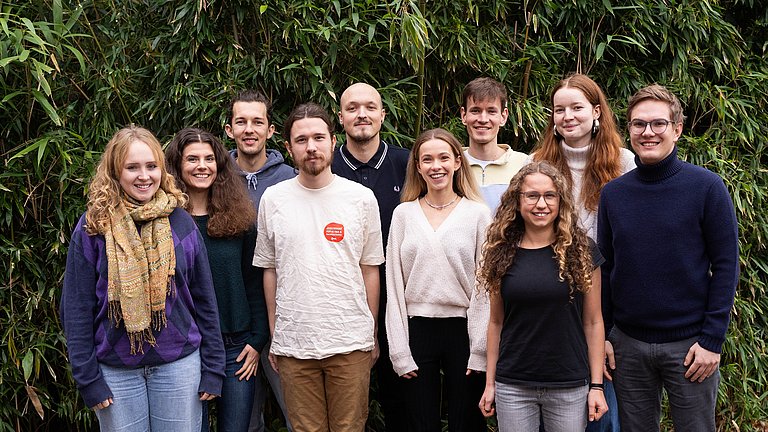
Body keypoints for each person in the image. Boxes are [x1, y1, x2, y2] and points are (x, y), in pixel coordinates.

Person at [60, 126, 225, 431]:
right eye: (132, 167)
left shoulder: (181, 221)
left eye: (151, 166)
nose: (144, 176)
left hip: (179, 366)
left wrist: (214, 367)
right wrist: (88, 379)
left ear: (161, 169)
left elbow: (204, 298)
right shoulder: (93, 227)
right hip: (115, 372)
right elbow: (76, 307)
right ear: (115, 172)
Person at [598, 84, 739, 432]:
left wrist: (711, 340)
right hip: (628, 345)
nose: (648, 133)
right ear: (628, 130)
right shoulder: (614, 194)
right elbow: (607, 268)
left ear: (677, 129)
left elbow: (726, 265)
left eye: (658, 123)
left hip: (690, 347)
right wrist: (604, 335)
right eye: (638, 124)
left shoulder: (707, 187)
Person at [254, 103, 384, 432]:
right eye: (301, 140)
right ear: (288, 147)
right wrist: (275, 335)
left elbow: (370, 269)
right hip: (294, 344)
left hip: (350, 341)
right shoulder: (273, 199)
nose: (311, 147)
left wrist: (371, 334)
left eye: (318, 138)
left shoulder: (361, 198)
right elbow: (269, 270)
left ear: (333, 141)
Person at [530, 73, 635, 431]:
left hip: (607, 293)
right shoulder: (538, 162)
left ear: (596, 112)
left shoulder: (623, 162)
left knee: (602, 405)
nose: (568, 116)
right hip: (551, 293)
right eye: (560, 109)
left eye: (577, 107)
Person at [478, 161, 608, 431]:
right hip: (513, 384)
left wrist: (596, 385)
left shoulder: (582, 250)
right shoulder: (501, 251)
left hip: (569, 384)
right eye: (532, 196)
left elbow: (593, 322)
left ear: (561, 201)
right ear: (517, 200)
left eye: (550, 195)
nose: (541, 204)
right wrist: (490, 383)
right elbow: (495, 323)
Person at [386, 128, 490, 432]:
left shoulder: (478, 214)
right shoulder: (403, 214)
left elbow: (486, 287)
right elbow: (393, 284)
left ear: (458, 162)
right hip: (418, 329)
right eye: (427, 159)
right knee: (420, 423)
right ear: (417, 166)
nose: (436, 166)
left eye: (444, 157)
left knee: (466, 423)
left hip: (464, 331)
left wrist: (480, 349)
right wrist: (399, 350)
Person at [166, 128, 268, 432]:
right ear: (177, 166)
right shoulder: (164, 221)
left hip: (234, 348)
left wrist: (257, 339)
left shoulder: (238, 218)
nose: (202, 166)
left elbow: (253, 282)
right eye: (192, 159)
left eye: (209, 159)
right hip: (184, 347)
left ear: (220, 166)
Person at [332, 82, 410, 431]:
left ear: (382, 114)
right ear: (341, 118)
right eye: (352, 108)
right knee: (344, 406)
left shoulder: (407, 163)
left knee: (402, 400)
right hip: (341, 300)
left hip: (400, 297)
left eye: (369, 107)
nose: (361, 114)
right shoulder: (325, 167)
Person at [224, 89, 295, 432]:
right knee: (246, 421)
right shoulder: (214, 180)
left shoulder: (291, 180)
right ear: (229, 129)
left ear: (270, 130)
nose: (249, 129)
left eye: (257, 121)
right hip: (238, 320)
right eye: (241, 121)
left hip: (286, 316)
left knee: (299, 414)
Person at [460, 77, 528, 213]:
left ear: (503, 116)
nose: (483, 119)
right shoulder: (452, 165)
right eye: (475, 111)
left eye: (491, 111)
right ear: (463, 115)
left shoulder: (524, 164)